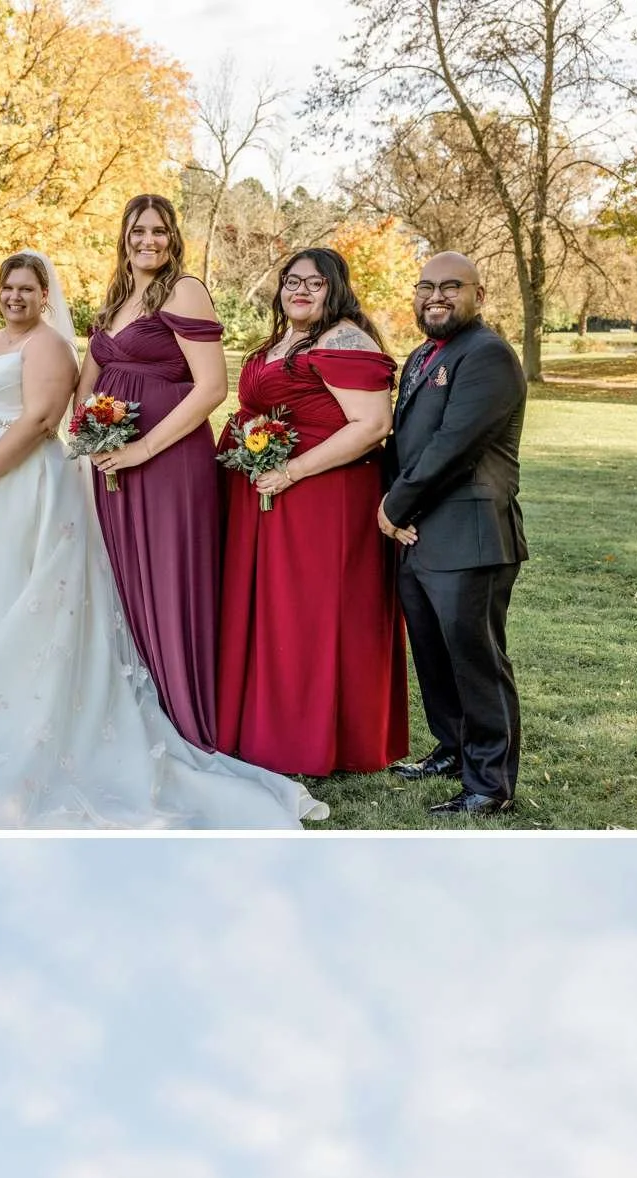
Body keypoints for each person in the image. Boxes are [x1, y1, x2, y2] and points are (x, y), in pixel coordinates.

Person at [0, 250, 313, 831]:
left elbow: (42, 419)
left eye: (27, 289)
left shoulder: (49, 346)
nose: (15, 297)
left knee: (11, 590)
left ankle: (8, 708)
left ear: (46, 295)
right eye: (8, 288)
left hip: (15, 483)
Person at [214, 244, 406, 780]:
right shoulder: (281, 341)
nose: (299, 290)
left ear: (336, 289)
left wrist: (292, 470)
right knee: (272, 611)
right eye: (291, 281)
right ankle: (264, 726)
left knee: (313, 615)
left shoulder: (343, 339)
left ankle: (319, 737)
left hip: (324, 499)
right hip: (266, 494)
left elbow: (371, 425)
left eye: (314, 283)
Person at [74, 191, 230, 748]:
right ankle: (140, 699)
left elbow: (213, 387)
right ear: (124, 236)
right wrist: (86, 432)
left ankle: (184, 710)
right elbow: (87, 379)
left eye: (159, 230)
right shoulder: (117, 297)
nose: (148, 240)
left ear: (174, 237)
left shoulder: (185, 290)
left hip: (169, 461)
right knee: (126, 574)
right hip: (111, 458)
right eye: (138, 230)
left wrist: (143, 449)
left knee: (167, 574)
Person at [378, 256, 528, 819]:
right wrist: (395, 510)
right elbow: (405, 443)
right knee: (434, 654)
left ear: (479, 295)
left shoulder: (487, 355)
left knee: (476, 660)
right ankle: (451, 749)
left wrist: (393, 505)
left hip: (470, 535)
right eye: (425, 287)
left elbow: (452, 446)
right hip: (418, 535)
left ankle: (490, 783)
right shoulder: (422, 355)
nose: (434, 297)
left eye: (449, 288)